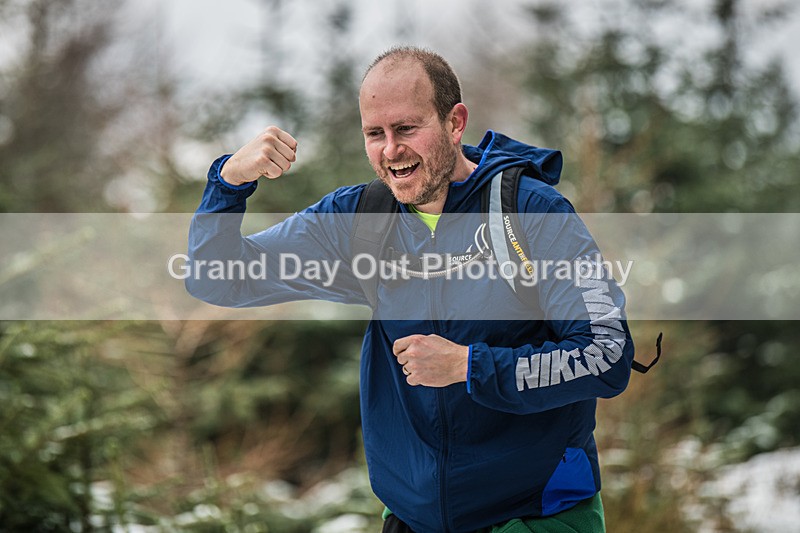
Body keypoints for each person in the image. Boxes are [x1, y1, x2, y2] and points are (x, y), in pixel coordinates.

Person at [187, 46, 634, 533]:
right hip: (412, 521)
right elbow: (217, 277)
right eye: (374, 134)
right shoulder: (360, 221)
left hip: (534, 516)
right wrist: (228, 182)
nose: (390, 150)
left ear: (455, 122)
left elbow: (607, 354)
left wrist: (470, 366)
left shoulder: (534, 213)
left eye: (406, 128)